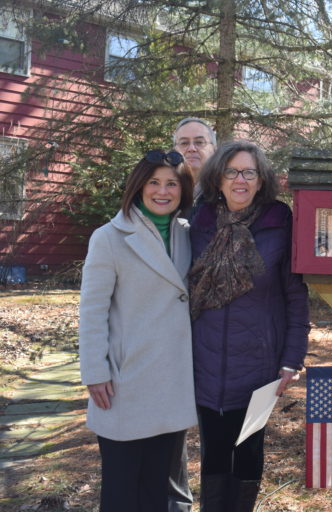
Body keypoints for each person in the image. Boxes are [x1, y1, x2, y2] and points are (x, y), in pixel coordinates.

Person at [188, 140, 310, 511]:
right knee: (212, 452)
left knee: (247, 452)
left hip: (259, 363)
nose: (240, 180)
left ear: (261, 181)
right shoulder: (199, 222)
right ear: (218, 178)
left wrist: (292, 359)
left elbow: (296, 296)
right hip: (204, 359)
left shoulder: (279, 223)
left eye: (249, 172)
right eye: (232, 171)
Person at [79, 150, 197, 511]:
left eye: (172, 184)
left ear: (183, 190)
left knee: (158, 488)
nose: (163, 191)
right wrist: (95, 372)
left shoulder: (186, 234)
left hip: (171, 380)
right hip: (124, 381)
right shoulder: (109, 237)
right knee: (122, 488)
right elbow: (92, 311)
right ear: (138, 186)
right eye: (154, 183)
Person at [167, 116, 217, 511]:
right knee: (169, 427)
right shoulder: (167, 192)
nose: (192, 148)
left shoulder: (225, 192)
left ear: (213, 147)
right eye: (184, 142)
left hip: (217, 326)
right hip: (171, 324)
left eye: (199, 141)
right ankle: (176, 502)